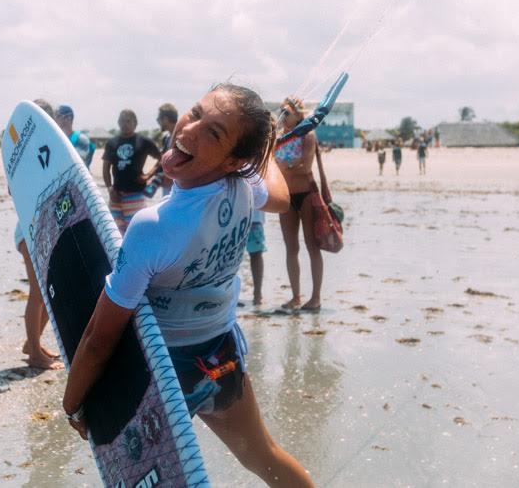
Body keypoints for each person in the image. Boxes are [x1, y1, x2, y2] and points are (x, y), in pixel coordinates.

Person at [63, 84, 315, 487]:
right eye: (195, 113)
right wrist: (262, 152)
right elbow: (283, 196)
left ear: (234, 159)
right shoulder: (246, 188)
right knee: (265, 456)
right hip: (221, 357)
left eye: (213, 133)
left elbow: (98, 337)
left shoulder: (154, 227)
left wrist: (73, 404)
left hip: (163, 374)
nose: (190, 129)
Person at [17, 98, 63, 370]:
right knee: (38, 291)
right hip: (28, 228)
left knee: (47, 292)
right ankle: (34, 353)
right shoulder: (27, 152)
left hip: (42, 226)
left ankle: (31, 343)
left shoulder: (44, 148)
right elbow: (16, 191)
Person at [274, 97, 323, 311]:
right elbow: (277, 166)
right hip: (286, 196)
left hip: (305, 194)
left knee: (312, 246)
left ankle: (316, 297)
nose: (283, 117)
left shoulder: (307, 135)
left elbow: (306, 166)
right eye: (281, 113)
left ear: (298, 114)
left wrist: (287, 165)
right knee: (290, 247)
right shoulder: (280, 138)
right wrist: (290, 164)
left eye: (286, 113)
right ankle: (295, 296)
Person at [102, 109, 160, 235]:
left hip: (135, 195)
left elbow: (161, 158)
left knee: (136, 230)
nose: (124, 124)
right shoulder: (112, 143)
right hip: (116, 195)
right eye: (122, 121)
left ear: (135, 123)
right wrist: (109, 188)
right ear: (118, 123)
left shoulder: (143, 142)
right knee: (115, 231)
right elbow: (106, 167)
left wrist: (149, 175)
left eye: (128, 121)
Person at [155, 103, 178, 196]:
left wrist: (170, 177)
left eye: (158, 119)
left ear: (165, 119)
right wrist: (149, 175)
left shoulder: (182, 136)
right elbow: (162, 160)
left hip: (179, 187)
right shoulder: (166, 138)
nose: (158, 122)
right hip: (167, 186)